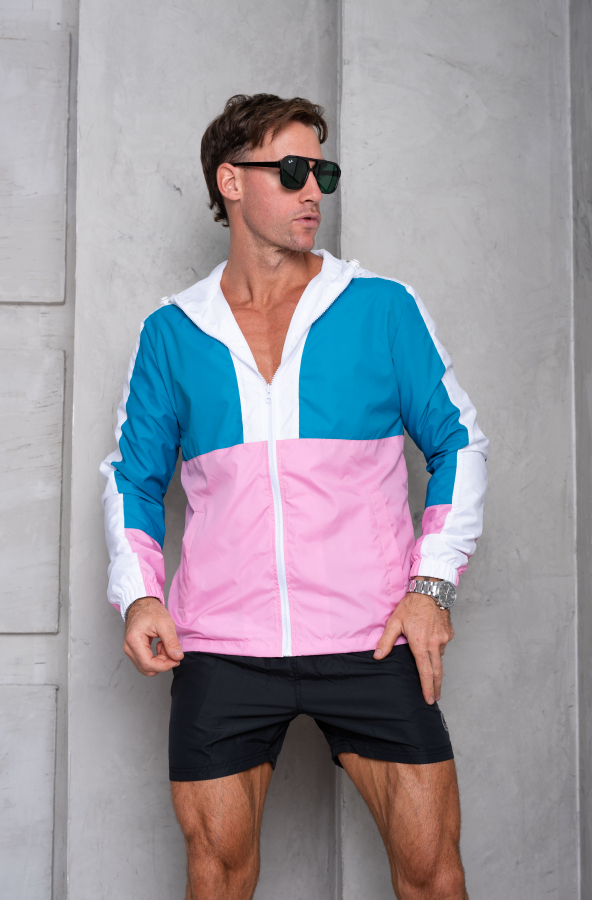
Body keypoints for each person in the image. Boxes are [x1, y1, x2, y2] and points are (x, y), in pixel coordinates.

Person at [100, 93, 488, 900]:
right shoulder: (174, 331)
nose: (314, 190)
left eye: (323, 172)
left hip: (371, 635)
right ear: (230, 182)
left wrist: (431, 588)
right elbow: (134, 478)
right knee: (216, 875)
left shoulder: (380, 307)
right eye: (291, 170)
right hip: (223, 644)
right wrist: (140, 596)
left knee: (432, 873)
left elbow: (459, 443)